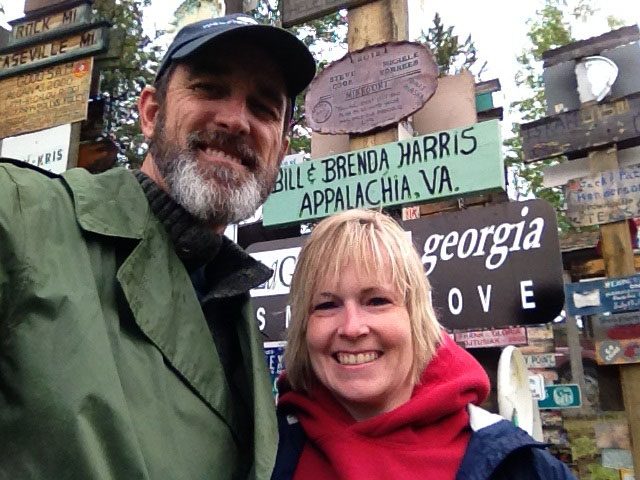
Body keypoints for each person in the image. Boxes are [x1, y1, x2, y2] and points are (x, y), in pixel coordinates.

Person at [0, 14, 315, 480]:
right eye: (209, 88)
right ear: (150, 114)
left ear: (280, 151)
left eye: (264, 108)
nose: (235, 120)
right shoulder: (21, 214)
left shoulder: (233, 304)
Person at [271, 209, 576, 480]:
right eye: (326, 305)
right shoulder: (264, 453)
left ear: (415, 316)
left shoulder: (519, 465)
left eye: (377, 301)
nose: (352, 328)